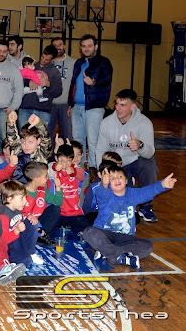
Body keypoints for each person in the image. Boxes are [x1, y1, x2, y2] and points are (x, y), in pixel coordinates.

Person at [83, 167, 176, 268]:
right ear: (108, 182)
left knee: (147, 246)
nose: (117, 180)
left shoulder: (132, 194)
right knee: (89, 232)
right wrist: (104, 185)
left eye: (120, 176)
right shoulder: (106, 194)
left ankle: (108, 253)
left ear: (126, 180)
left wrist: (162, 184)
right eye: (112, 178)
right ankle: (116, 255)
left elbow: (146, 192)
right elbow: (101, 193)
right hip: (105, 235)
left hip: (125, 238)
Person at [95, 89, 159, 222]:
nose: (117, 108)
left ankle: (146, 206)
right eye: (117, 104)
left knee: (149, 164)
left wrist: (140, 146)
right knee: (112, 194)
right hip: (117, 165)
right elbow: (100, 149)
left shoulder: (144, 123)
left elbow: (150, 152)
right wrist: (102, 171)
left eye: (122, 105)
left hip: (135, 161)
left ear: (132, 106)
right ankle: (127, 195)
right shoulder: (106, 123)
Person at [68, 34, 113, 170]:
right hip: (77, 107)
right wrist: (71, 104)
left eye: (89, 46)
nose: (86, 49)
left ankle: (93, 171)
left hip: (94, 108)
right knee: (77, 141)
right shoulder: (79, 63)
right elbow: (73, 84)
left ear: (96, 47)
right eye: (83, 46)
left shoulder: (103, 62)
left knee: (93, 142)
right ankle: (79, 170)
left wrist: (94, 82)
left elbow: (107, 80)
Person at [0, 180, 43, 266]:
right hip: (9, 244)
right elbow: (3, 240)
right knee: (25, 261)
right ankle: (16, 257)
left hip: (17, 237)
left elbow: (20, 223)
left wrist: (29, 218)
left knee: (32, 223)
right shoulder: (3, 215)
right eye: (22, 198)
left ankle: (31, 252)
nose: (26, 201)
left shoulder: (17, 208)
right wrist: (16, 231)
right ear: (10, 199)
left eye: (25, 197)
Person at [18, 45, 62, 128]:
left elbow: (58, 92)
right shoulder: (31, 66)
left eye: (46, 59)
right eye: (42, 57)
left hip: (43, 110)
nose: (43, 60)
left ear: (52, 60)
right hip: (25, 108)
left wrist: (49, 84)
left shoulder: (54, 72)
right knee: (23, 134)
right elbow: (18, 80)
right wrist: (28, 82)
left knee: (41, 135)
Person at [21, 161, 61, 245]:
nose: (47, 178)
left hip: (38, 220)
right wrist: (29, 218)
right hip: (25, 223)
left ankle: (42, 235)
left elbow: (58, 202)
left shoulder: (42, 190)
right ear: (36, 179)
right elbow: (15, 216)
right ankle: (36, 234)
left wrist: (58, 187)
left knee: (55, 209)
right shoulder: (21, 193)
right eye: (45, 176)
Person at [6, 112, 52, 184]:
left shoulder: (41, 153)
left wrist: (39, 124)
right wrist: (10, 123)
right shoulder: (18, 149)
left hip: (36, 188)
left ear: (38, 141)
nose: (26, 146)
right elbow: (11, 136)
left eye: (30, 142)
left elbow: (46, 140)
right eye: (23, 142)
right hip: (17, 187)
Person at [48, 37, 76, 140]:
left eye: (60, 44)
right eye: (55, 45)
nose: (58, 47)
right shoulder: (47, 63)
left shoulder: (74, 63)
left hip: (66, 104)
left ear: (64, 46)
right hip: (49, 104)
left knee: (68, 135)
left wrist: (73, 104)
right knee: (47, 135)